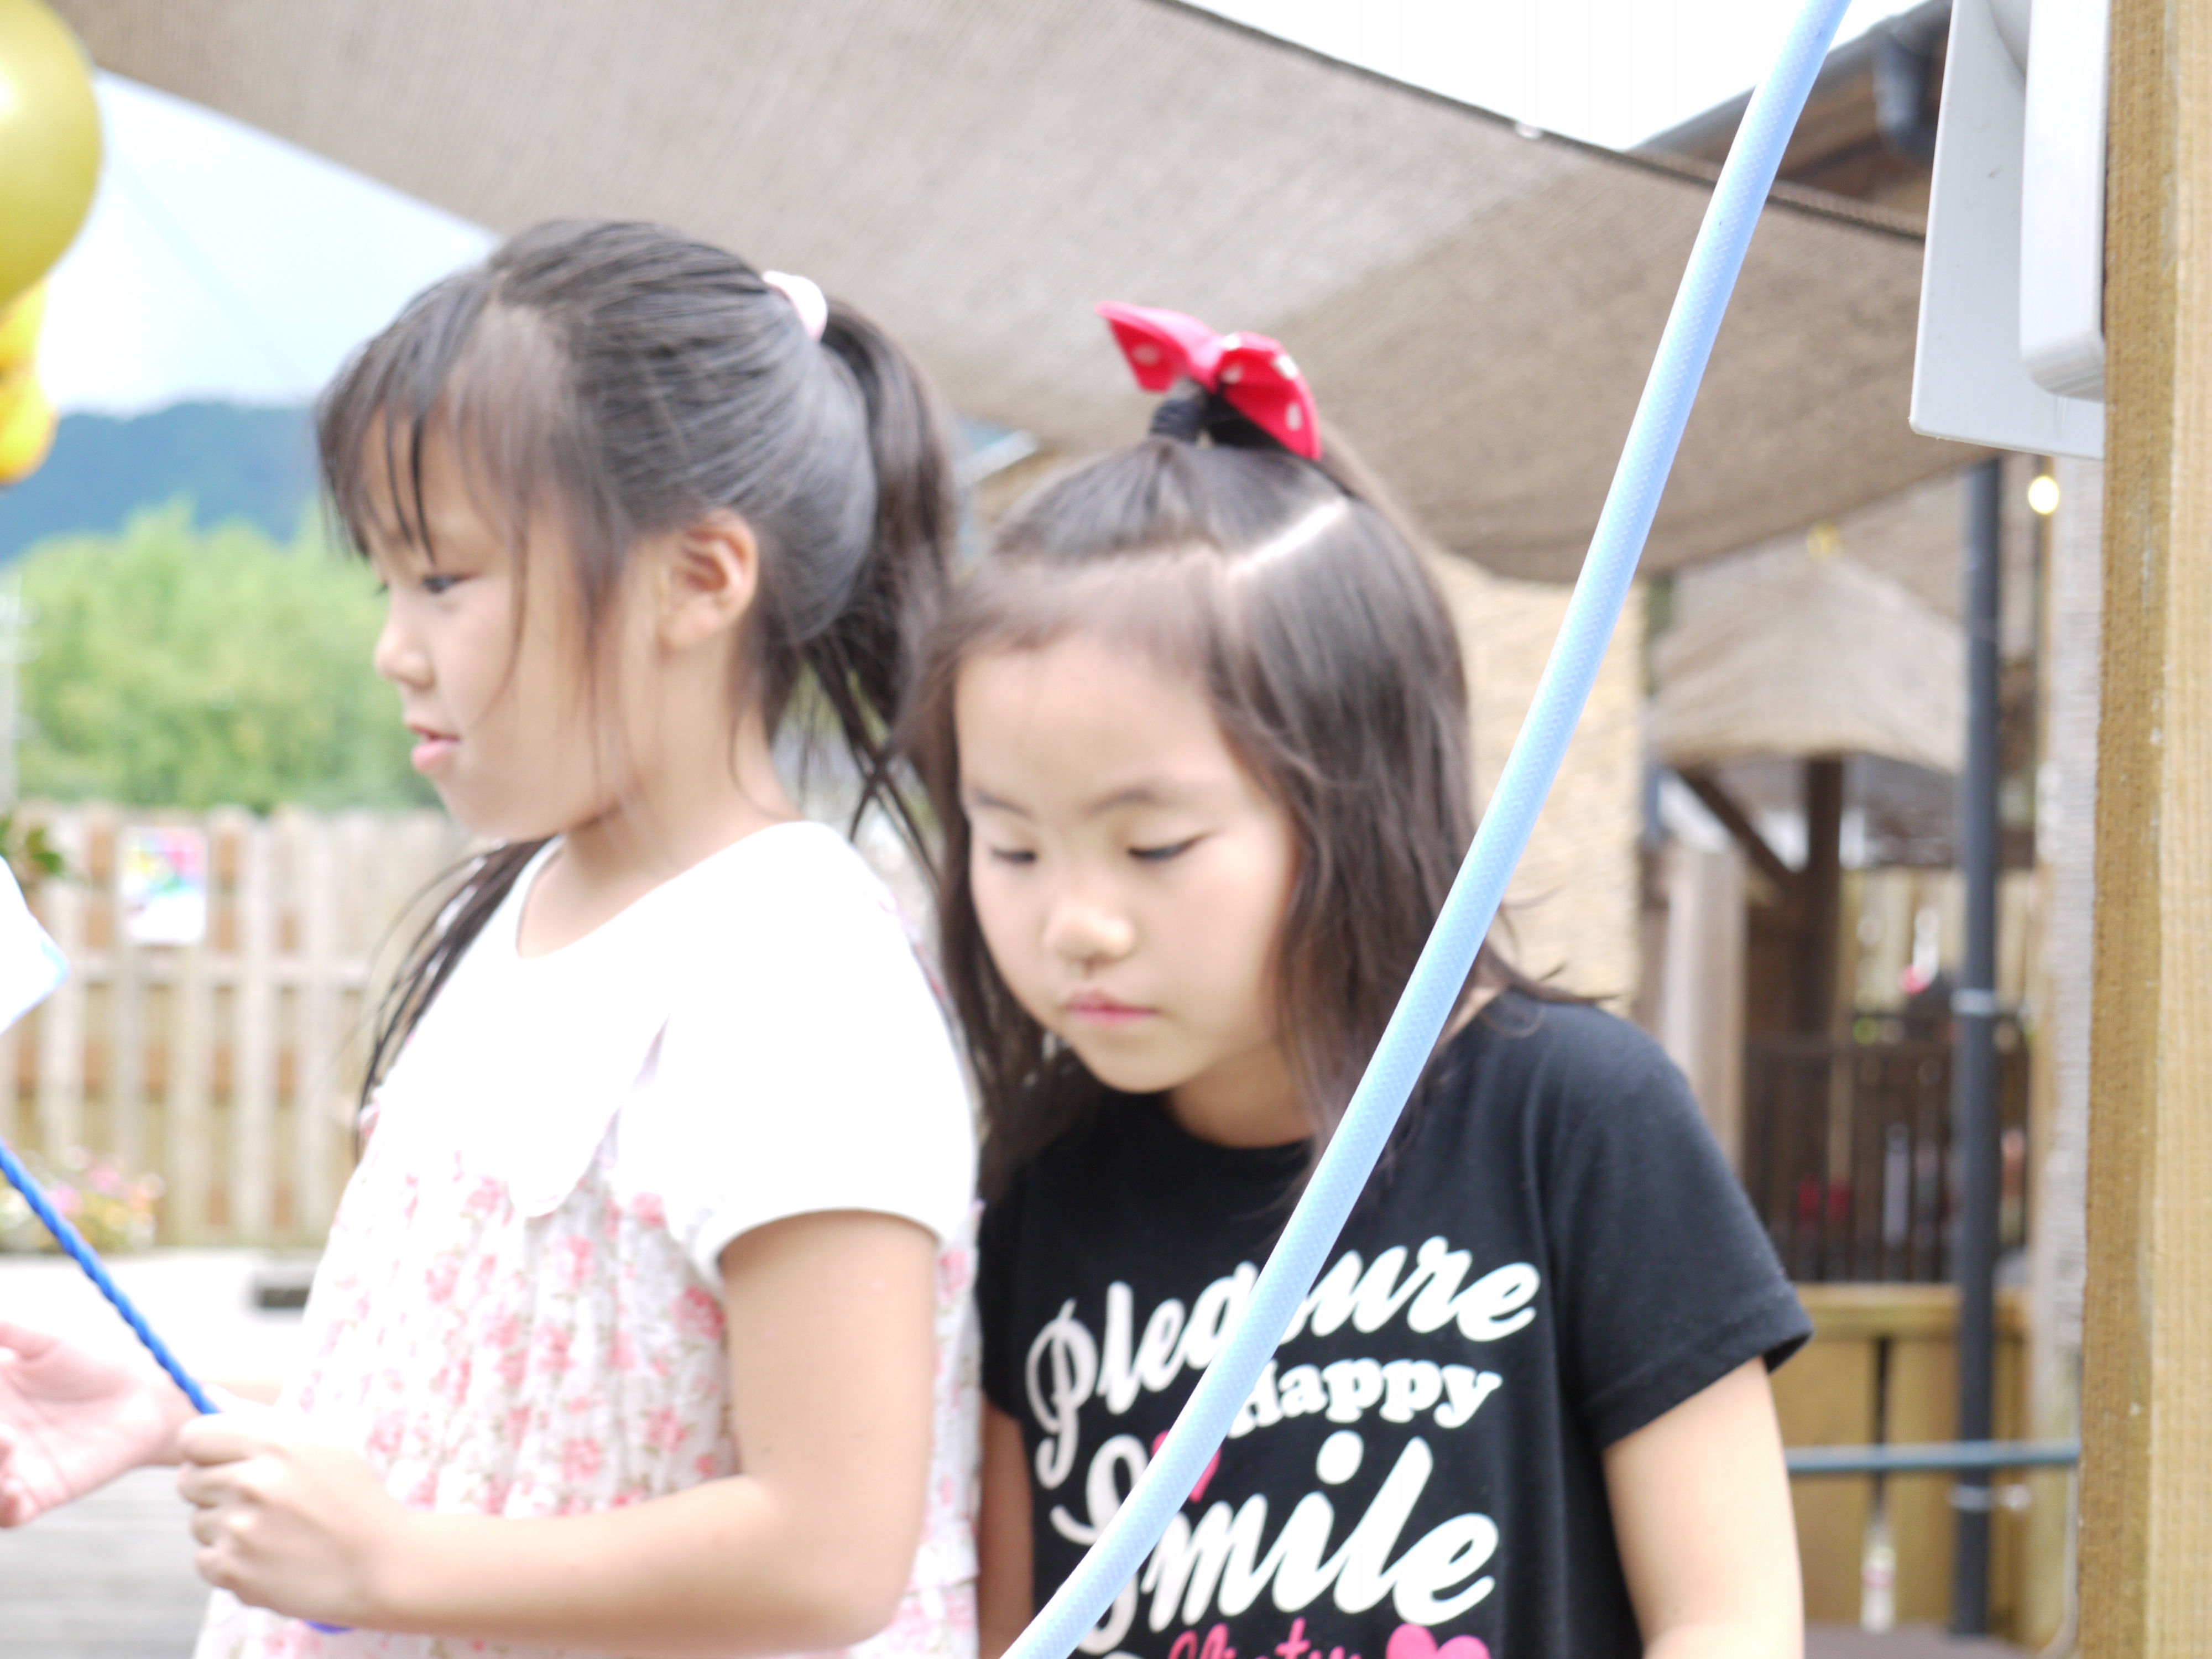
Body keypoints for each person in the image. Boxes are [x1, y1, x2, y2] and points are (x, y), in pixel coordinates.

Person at [0, 221, 979, 1659]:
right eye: (387, 583)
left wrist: (395, 1565)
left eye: (446, 580)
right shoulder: (520, 906)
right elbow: (489, 1411)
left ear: (700, 580)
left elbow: (828, 1555)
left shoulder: (797, 987)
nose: (394, 646)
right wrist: (182, 1404)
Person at [906, 305, 1813, 1659]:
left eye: (1153, 846)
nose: (1075, 924)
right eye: (1013, 845)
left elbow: (1728, 1618)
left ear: (1354, 800)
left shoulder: (1577, 1120)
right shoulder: (1043, 1185)